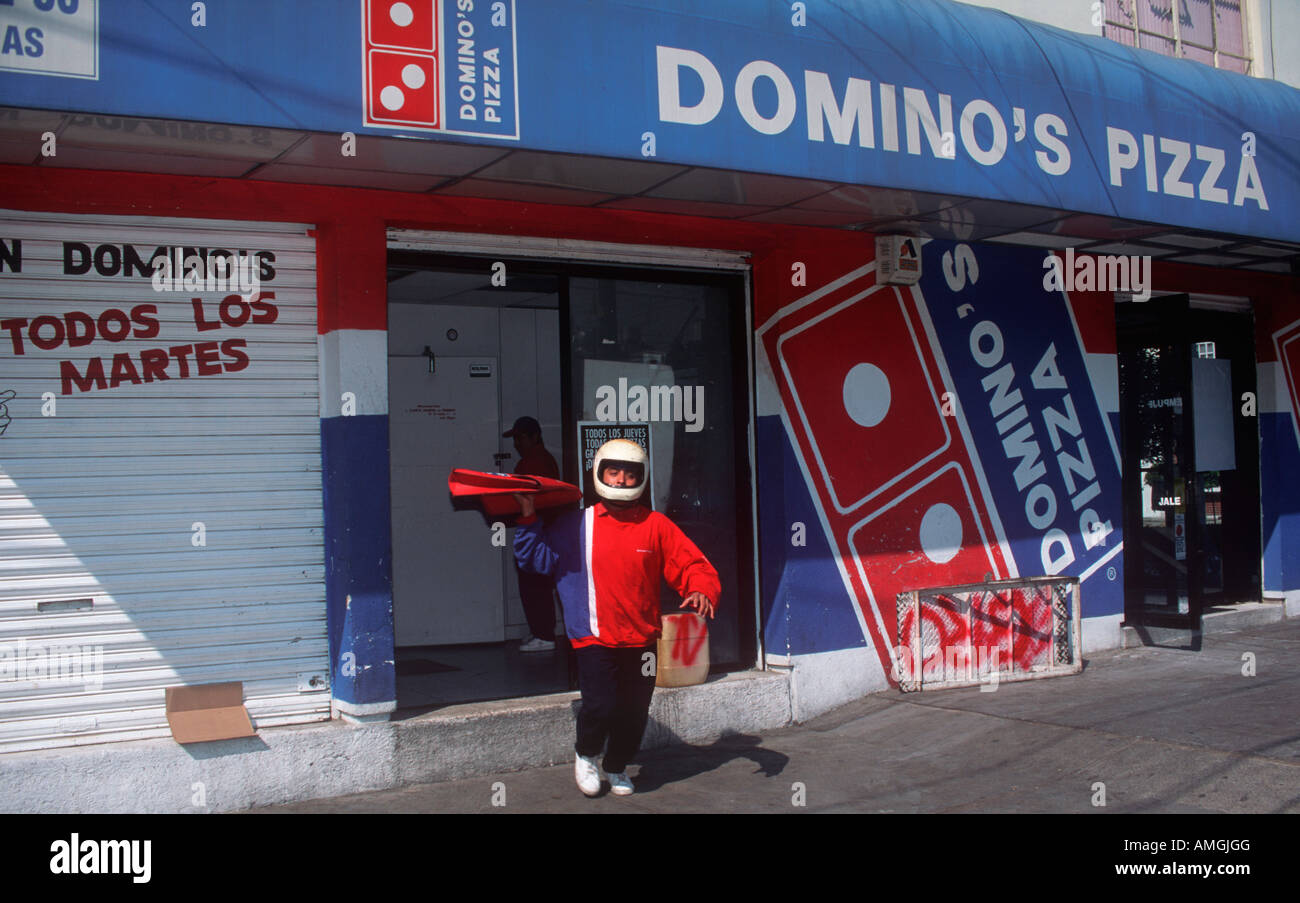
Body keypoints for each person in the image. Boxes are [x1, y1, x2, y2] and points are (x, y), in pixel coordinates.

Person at [513, 438, 720, 797]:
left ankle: (617, 765)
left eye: (629, 474)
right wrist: (528, 516)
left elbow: (689, 562)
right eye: (614, 471)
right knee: (601, 704)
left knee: (635, 709)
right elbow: (536, 560)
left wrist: (701, 587)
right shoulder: (575, 524)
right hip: (593, 636)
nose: (621, 480)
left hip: (641, 640)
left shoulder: (656, 525)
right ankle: (587, 755)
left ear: (641, 477)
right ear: (599, 473)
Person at [503, 416, 561, 653]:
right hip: (540, 527)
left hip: (538, 527)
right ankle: (540, 631)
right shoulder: (540, 460)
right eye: (515, 438)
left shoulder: (534, 463)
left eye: (521, 438)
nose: (516, 443)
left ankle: (544, 634)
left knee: (534, 581)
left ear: (535, 436)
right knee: (535, 581)